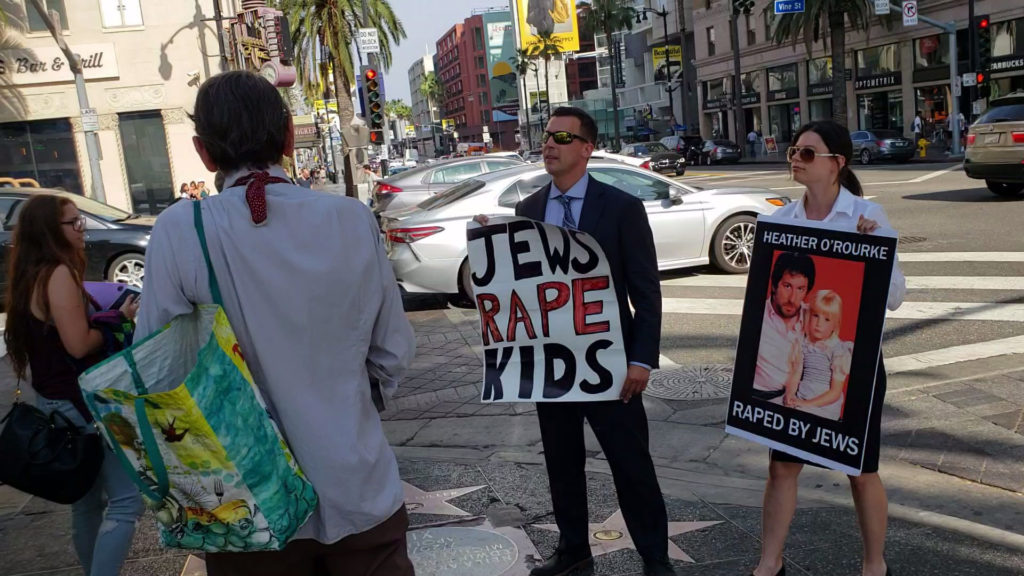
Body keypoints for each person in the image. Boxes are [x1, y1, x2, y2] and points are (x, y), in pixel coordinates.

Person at [136, 71, 416, 574]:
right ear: (288, 136)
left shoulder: (181, 230)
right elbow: (392, 351)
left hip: (246, 507)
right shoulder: (351, 219)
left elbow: (157, 369)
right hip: (357, 487)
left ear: (204, 152)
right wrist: (345, 406)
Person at [480, 107, 672, 576]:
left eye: (561, 138)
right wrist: (491, 245)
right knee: (562, 463)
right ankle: (573, 551)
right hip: (553, 365)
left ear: (587, 148)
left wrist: (642, 360)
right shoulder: (528, 210)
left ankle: (655, 558)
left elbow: (646, 291)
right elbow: (521, 292)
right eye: (546, 136)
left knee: (631, 465)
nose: (549, 144)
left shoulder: (622, 207)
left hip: (611, 364)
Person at [751, 120, 906, 576]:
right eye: (793, 151)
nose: (795, 159)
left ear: (837, 163)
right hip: (796, 367)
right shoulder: (780, 220)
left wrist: (872, 246)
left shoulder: (867, 215)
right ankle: (769, 563)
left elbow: (895, 297)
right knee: (782, 466)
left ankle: (874, 565)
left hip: (855, 366)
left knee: (859, 468)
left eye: (807, 153)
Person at [2, 194, 144, 576]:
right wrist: (117, 319)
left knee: (87, 504)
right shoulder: (58, 274)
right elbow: (78, 344)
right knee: (127, 501)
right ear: (51, 230)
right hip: (79, 404)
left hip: (56, 401)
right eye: (74, 222)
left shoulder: (31, 274)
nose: (83, 229)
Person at [751, 251, 816, 403]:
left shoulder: (813, 318)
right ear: (774, 285)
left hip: (798, 400)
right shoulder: (757, 314)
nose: (793, 298)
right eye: (787, 286)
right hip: (759, 397)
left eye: (800, 289)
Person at [782, 289, 853, 421]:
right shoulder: (804, 343)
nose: (819, 324)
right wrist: (790, 395)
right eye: (815, 316)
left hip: (823, 406)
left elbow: (835, 393)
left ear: (835, 325)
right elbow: (796, 373)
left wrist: (806, 404)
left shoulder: (838, 350)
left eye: (827, 319)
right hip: (802, 398)